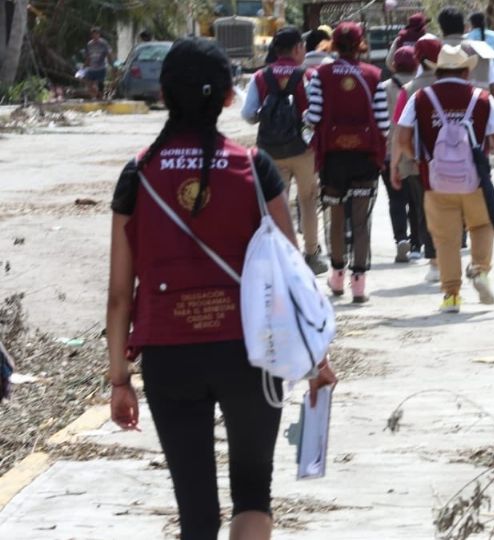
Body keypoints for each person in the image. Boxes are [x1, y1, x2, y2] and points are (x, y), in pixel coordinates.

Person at [106, 38, 337, 540]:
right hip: (253, 351)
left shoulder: (138, 174)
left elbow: (120, 293)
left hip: (169, 355)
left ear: (164, 94)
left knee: (196, 513)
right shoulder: (255, 169)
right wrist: (317, 359)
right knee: (253, 494)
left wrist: (119, 378)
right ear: (229, 100)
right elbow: (292, 273)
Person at [395, 44, 494, 313]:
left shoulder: (420, 98)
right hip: (475, 181)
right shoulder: (482, 98)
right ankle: (479, 270)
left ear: (438, 71)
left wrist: (414, 160)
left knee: (446, 239)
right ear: (466, 71)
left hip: (435, 182)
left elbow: (402, 136)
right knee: (482, 226)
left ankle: (451, 295)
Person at [306, 22, 389, 303]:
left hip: (332, 157)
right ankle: (359, 284)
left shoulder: (320, 76)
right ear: (360, 43)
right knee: (361, 219)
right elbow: (383, 123)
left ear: (334, 45)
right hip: (365, 157)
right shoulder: (374, 75)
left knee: (336, 218)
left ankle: (337, 276)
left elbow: (314, 116)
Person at [242, 27, 327, 275]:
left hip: (269, 152)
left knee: (274, 203)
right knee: (308, 200)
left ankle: (278, 255)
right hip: (303, 151)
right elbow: (315, 113)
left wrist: (265, 116)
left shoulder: (260, 77)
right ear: (298, 48)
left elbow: (248, 114)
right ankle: (312, 255)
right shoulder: (307, 75)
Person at [392, 37, 442, 281]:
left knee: (425, 211)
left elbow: (400, 133)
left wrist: (396, 164)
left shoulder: (409, 90)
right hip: (454, 162)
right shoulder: (456, 84)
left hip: (416, 164)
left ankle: (435, 263)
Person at [382, 46, 420, 263]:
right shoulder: (418, 88)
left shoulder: (383, 88)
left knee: (395, 198)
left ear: (393, 65)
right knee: (415, 200)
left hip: (389, 152)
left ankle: (400, 239)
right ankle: (416, 243)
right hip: (413, 151)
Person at [437, 7, 494, 100]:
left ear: (441, 28)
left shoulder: (434, 49)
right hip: (479, 110)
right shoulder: (482, 49)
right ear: (464, 26)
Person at [83, 27, 114, 100]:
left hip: (101, 68)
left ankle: (100, 99)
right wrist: (84, 66)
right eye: (93, 34)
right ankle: (94, 97)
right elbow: (88, 57)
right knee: (89, 83)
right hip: (92, 68)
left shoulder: (104, 43)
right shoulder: (89, 44)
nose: (95, 36)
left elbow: (108, 55)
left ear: (99, 35)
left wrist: (112, 65)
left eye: (96, 34)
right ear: (91, 35)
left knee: (100, 86)